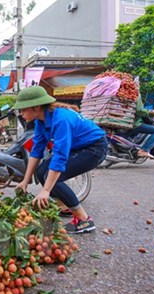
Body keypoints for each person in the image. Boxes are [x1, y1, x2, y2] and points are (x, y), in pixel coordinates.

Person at [14, 86, 108, 234]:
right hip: (78, 147)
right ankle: (64, 207)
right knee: (41, 171)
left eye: (23, 109)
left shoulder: (61, 119)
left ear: (36, 107)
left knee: (52, 179)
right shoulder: (40, 120)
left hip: (95, 148)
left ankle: (84, 220)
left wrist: (46, 190)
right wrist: (25, 181)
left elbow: (60, 157)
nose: (21, 114)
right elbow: (36, 151)